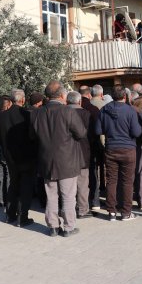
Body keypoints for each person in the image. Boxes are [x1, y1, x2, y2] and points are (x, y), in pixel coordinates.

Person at [30, 81, 87, 237]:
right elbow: (81, 133)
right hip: (67, 159)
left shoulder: (38, 113)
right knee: (68, 195)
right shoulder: (67, 111)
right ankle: (69, 227)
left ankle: (53, 226)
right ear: (62, 95)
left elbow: (32, 136)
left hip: (46, 159)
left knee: (51, 194)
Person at [95, 85, 142, 221]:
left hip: (111, 148)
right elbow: (136, 132)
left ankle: (111, 212)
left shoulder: (104, 110)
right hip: (128, 149)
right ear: (125, 96)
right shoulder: (130, 111)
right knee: (127, 182)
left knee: (111, 181)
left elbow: (98, 131)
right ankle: (126, 212)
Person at [0, 90, 35, 227]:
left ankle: (10, 215)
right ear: (23, 100)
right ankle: (22, 217)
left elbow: (0, 137)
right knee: (25, 186)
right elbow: (32, 136)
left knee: (13, 184)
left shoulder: (1, 116)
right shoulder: (27, 115)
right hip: (25, 156)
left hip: (10, 156)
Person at [67, 91, 93, 219]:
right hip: (83, 152)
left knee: (68, 184)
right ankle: (83, 209)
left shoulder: (63, 113)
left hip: (67, 153)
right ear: (80, 101)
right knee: (83, 182)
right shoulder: (86, 114)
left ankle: (69, 209)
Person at [79, 86, 104, 210]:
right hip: (91, 146)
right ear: (89, 95)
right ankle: (95, 202)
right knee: (93, 175)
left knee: (78, 177)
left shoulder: (70, 110)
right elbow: (98, 130)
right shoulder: (93, 109)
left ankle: (80, 203)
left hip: (76, 148)